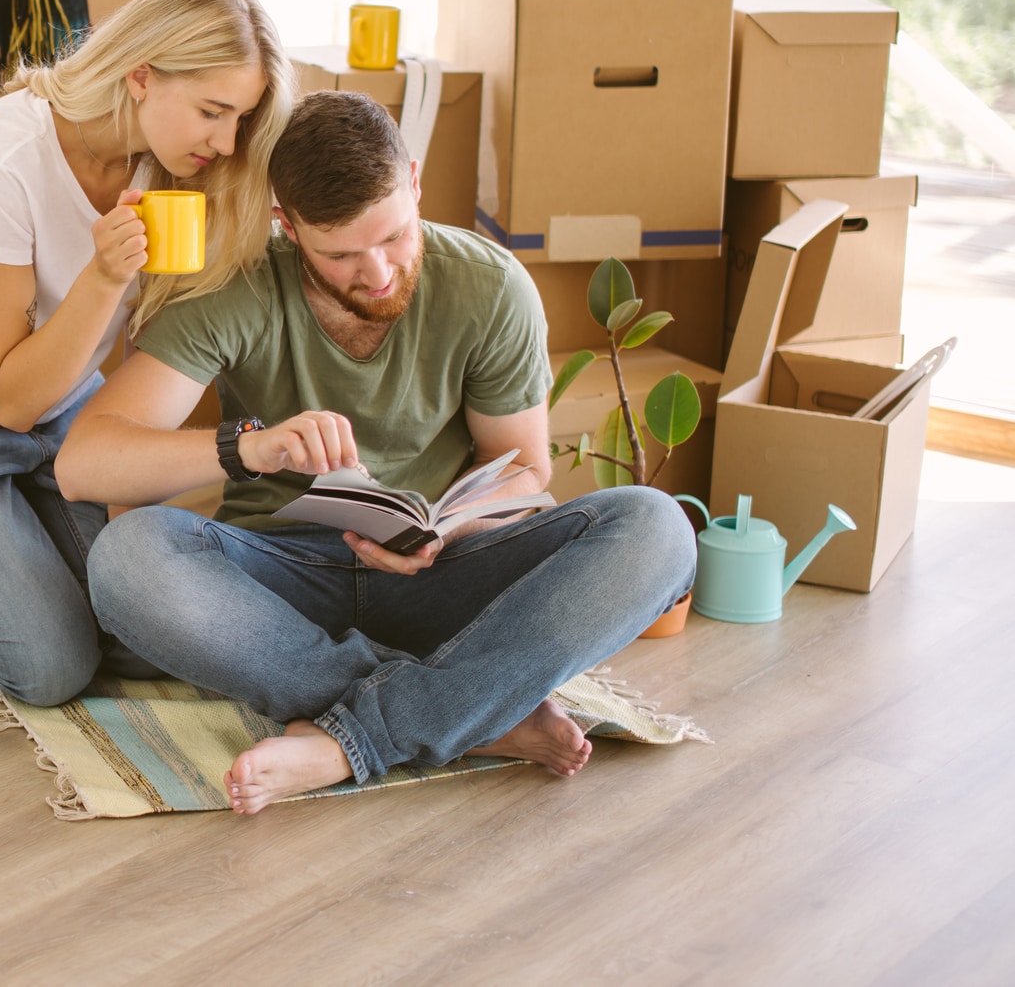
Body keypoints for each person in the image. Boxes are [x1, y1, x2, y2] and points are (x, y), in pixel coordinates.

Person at [56, 91, 695, 811]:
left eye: (394, 235)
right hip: (282, 584)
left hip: (445, 573)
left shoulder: (488, 286)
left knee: (656, 527)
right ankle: (472, 711)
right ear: (286, 225)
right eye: (341, 254)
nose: (379, 272)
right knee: (127, 558)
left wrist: (449, 525)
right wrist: (251, 449)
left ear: (414, 183)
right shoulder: (234, 288)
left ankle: (352, 737)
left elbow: (523, 466)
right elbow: (84, 464)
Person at [0, 0, 297, 706]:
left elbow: (130, 357)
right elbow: (11, 400)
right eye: (213, 111)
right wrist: (103, 276)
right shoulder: (4, 156)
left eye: (241, 119)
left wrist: (118, 489)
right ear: (141, 75)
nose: (226, 140)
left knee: (142, 634)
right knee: (53, 669)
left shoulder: (177, 163)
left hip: (62, 404)